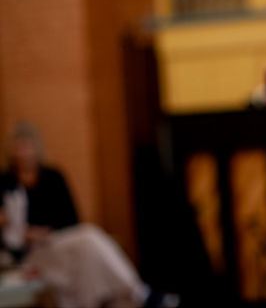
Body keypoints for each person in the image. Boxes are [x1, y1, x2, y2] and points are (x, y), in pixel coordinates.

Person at [0, 121, 178, 308]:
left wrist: (41, 232)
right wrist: (19, 231)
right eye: (18, 147)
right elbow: (8, 233)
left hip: (58, 242)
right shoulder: (5, 183)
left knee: (88, 253)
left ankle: (132, 295)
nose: (23, 152)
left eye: (27, 146)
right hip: (31, 254)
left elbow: (71, 219)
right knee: (89, 240)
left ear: (36, 148)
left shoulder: (53, 177)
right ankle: (139, 293)